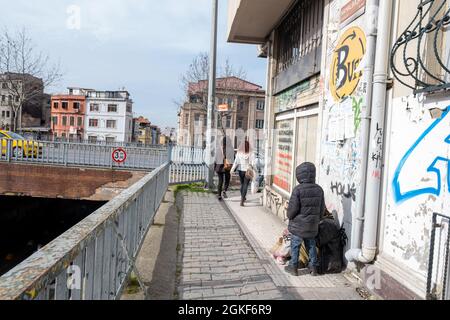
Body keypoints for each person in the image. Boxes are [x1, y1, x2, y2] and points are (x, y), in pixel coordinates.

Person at [284, 162, 325, 277]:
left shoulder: (298, 190)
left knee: (295, 245)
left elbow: (292, 209)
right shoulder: (319, 189)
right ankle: (313, 267)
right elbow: (322, 209)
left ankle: (293, 267)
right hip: (312, 225)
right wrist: (317, 220)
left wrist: (289, 216)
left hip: (298, 226)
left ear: (299, 175)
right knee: (311, 245)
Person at [231, 141, 256, 207]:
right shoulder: (251, 153)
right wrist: (255, 170)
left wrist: (232, 169)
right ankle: (242, 199)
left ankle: (243, 196)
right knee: (245, 185)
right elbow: (253, 163)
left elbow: (236, 162)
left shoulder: (239, 153)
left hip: (241, 171)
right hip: (248, 171)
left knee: (242, 184)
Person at [214, 135, 234, 201]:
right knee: (227, 179)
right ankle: (224, 190)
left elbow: (216, 158)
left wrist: (215, 167)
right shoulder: (230, 149)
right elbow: (233, 158)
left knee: (220, 181)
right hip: (227, 166)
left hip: (219, 167)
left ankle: (219, 195)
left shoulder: (218, 148)